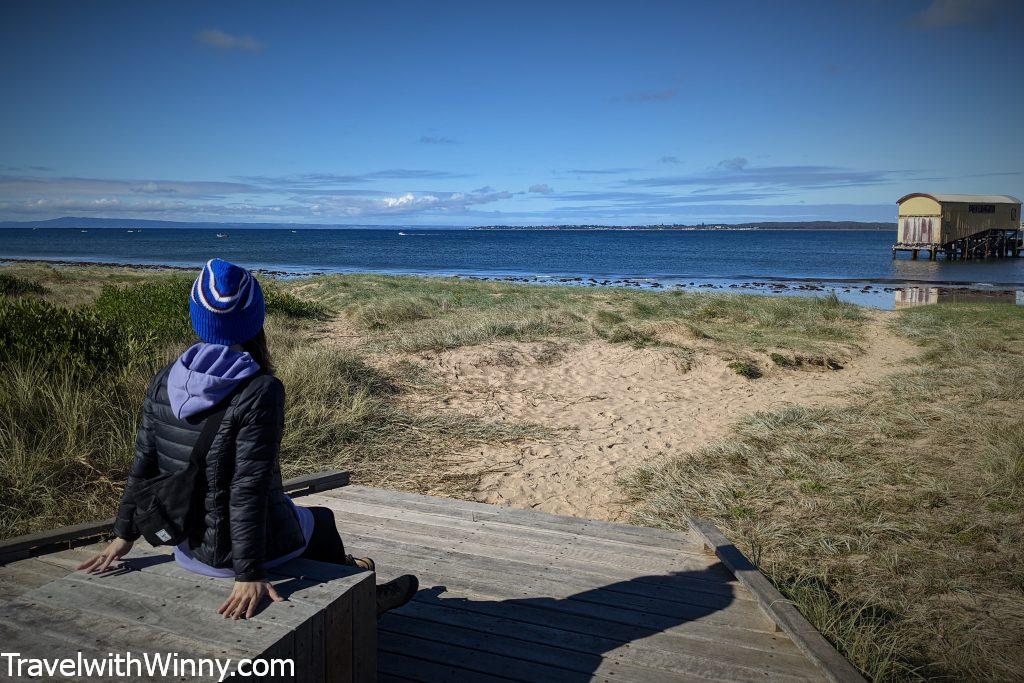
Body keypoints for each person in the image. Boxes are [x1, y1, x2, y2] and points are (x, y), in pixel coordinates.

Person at [78, 258, 418, 620]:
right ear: (256, 320)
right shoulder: (260, 390)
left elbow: (143, 464)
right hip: (230, 559)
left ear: (198, 318)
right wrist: (249, 572)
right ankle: (365, 601)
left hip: (183, 544)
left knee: (297, 517)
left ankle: (353, 574)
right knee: (320, 520)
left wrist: (123, 535)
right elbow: (247, 487)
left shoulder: (165, 378)